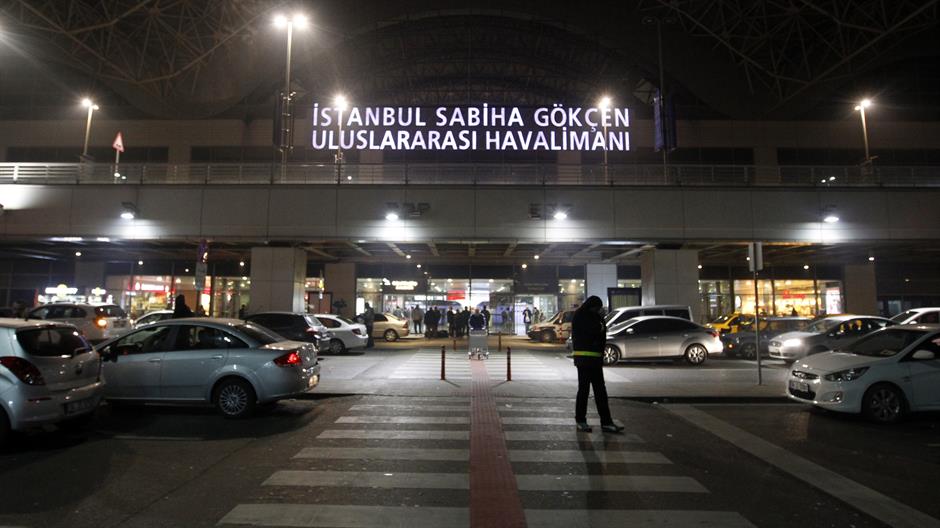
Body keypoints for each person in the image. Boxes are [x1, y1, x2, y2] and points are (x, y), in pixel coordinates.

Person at [570, 295, 624, 434]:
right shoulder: (582, 316)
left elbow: (601, 333)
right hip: (584, 361)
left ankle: (606, 422)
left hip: (595, 361)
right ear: (592, 306)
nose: (598, 310)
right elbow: (594, 332)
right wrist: (599, 327)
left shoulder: (594, 316)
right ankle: (581, 420)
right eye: (596, 308)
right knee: (584, 391)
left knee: (600, 392)